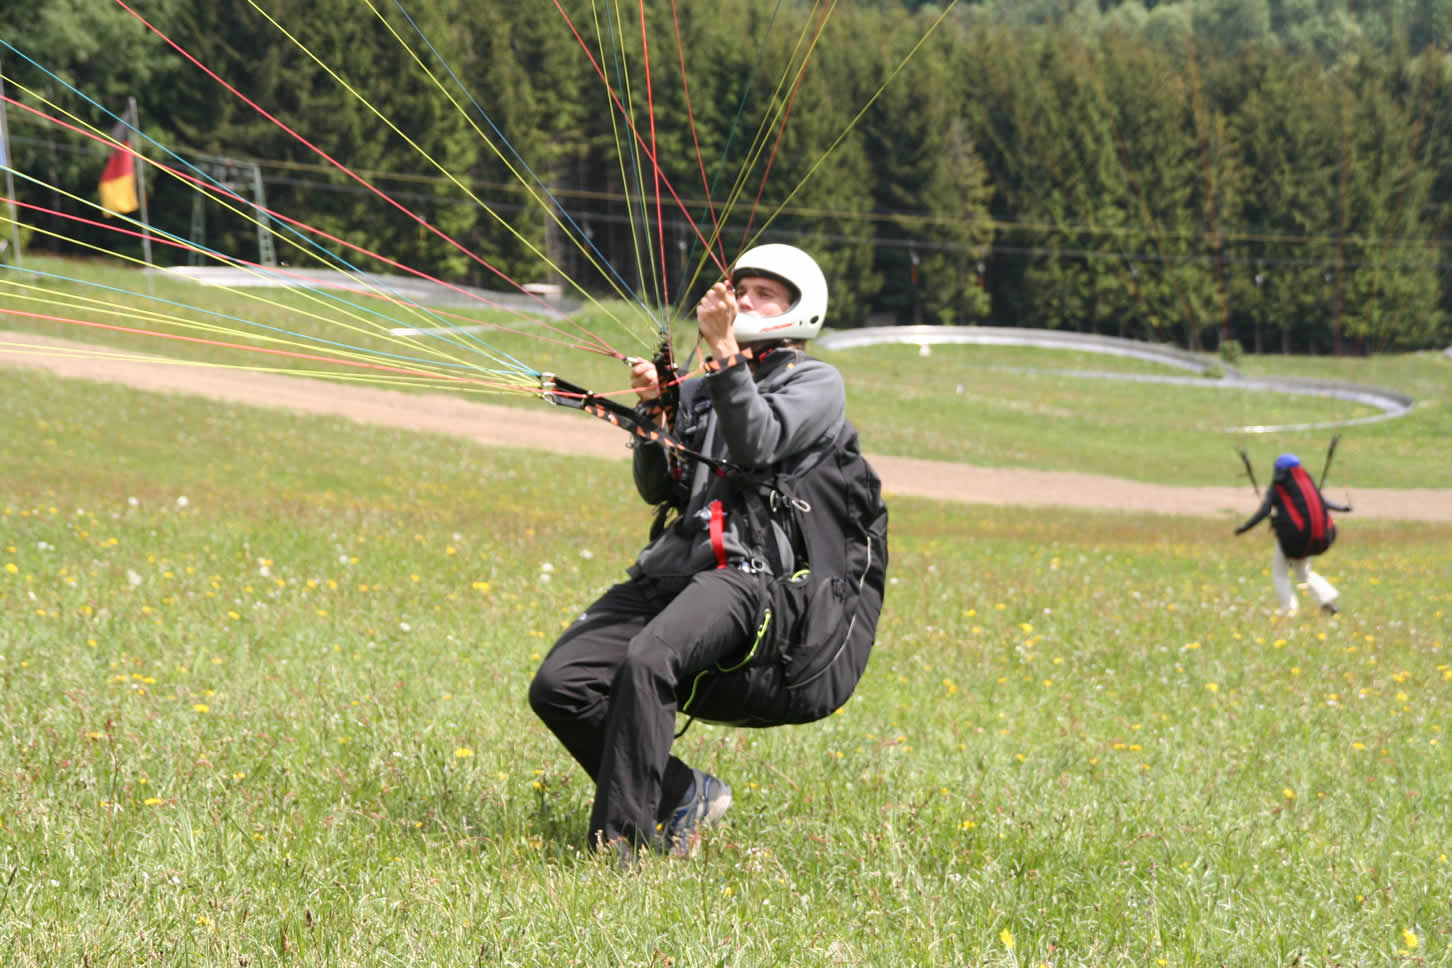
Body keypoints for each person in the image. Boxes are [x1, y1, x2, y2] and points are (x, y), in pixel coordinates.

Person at [528, 243, 886, 864]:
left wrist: (722, 353)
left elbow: (757, 443)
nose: (745, 301)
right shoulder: (703, 387)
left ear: (798, 309)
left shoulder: (813, 383)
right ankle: (682, 794)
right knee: (562, 685)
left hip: (751, 577)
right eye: (741, 290)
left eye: (764, 294)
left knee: (649, 659)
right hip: (680, 566)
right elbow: (659, 488)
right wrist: (655, 412)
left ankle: (620, 849)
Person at [1234, 453, 1351, 615]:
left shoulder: (1279, 487)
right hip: (1316, 537)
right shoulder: (1306, 483)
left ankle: (1289, 610)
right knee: (1303, 573)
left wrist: (1245, 527)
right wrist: (1342, 508)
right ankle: (1327, 601)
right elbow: (1323, 502)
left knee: (1280, 573)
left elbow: (1265, 511)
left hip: (1293, 539)